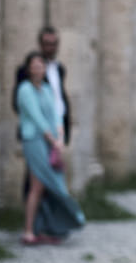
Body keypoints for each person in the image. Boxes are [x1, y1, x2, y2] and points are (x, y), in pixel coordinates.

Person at [15, 51, 85, 245]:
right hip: (34, 141)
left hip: (48, 142)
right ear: (29, 68)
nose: (38, 69)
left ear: (45, 68)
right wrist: (53, 140)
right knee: (39, 184)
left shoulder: (46, 89)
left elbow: (55, 116)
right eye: (34, 65)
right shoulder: (25, 90)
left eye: (41, 65)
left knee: (42, 186)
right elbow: (36, 117)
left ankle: (43, 227)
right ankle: (29, 229)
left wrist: (60, 137)